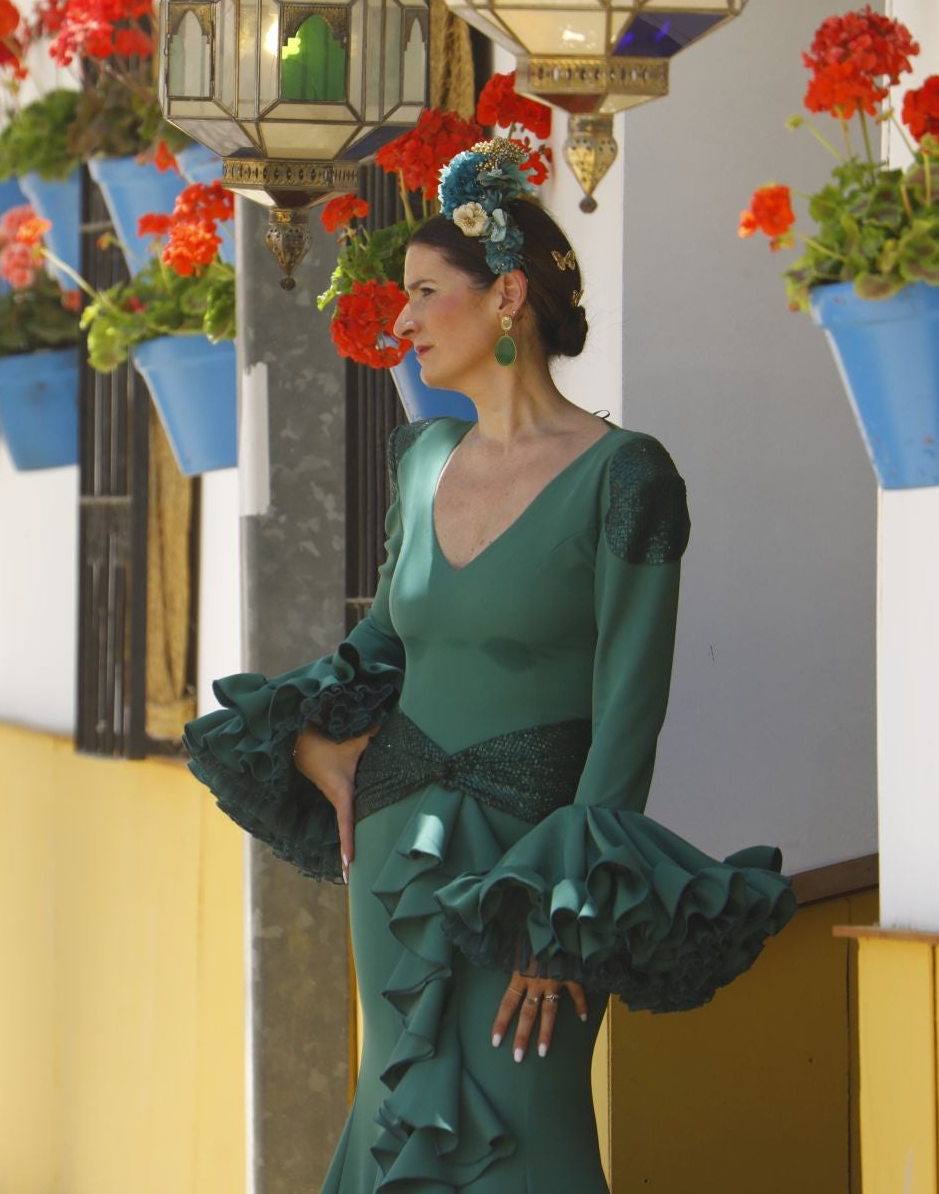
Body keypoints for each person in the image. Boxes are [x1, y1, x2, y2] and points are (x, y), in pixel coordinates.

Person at [183, 140, 798, 1193]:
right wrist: (309, 739)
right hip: (393, 846)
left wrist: (567, 913)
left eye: (426, 292)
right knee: (392, 1099)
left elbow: (627, 716)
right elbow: (374, 647)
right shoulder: (422, 461)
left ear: (506, 295)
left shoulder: (626, 475)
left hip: (535, 870)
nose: (404, 319)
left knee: (528, 1118)